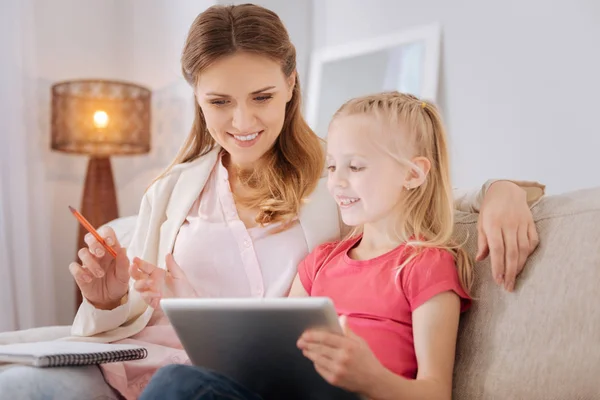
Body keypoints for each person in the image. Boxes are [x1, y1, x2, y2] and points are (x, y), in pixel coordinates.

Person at [0, 4, 544, 400]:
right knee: (19, 386)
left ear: (290, 84)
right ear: (195, 97)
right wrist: (107, 297)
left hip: (262, 386)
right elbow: (129, 316)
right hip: (146, 368)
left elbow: (430, 194)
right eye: (219, 102)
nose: (243, 123)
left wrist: (505, 192)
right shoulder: (171, 189)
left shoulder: (340, 177)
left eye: (261, 97)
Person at [138, 90, 478, 399]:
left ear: (413, 174)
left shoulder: (425, 265)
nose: (337, 181)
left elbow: (436, 393)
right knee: (176, 380)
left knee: (176, 384)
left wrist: (370, 378)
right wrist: (189, 301)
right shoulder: (320, 262)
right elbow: (270, 354)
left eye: (355, 166)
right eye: (332, 166)